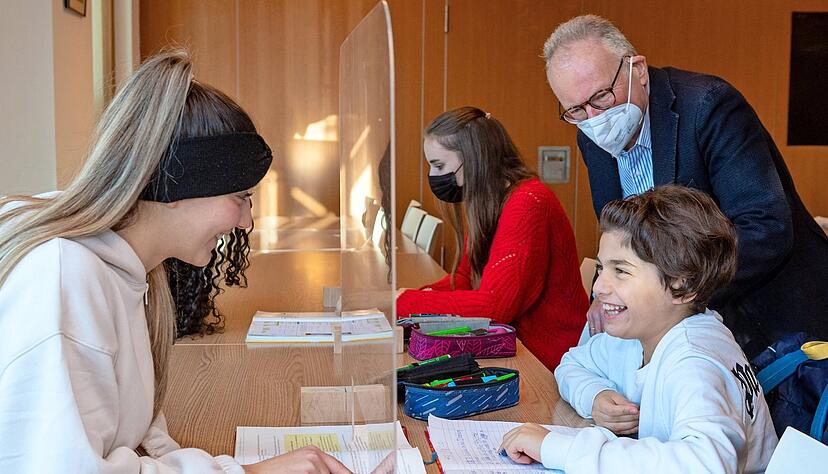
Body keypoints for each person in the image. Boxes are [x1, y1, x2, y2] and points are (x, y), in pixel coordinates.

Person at [0, 50, 350, 473]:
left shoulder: (135, 270)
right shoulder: (64, 278)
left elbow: (139, 435)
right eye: (240, 198)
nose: (247, 220)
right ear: (179, 185)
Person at [542, 15, 828, 358]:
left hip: (769, 321)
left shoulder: (708, 106)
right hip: (683, 333)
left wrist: (671, 293)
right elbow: (618, 236)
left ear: (639, 70)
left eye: (601, 96)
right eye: (575, 109)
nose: (594, 118)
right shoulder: (591, 139)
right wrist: (606, 295)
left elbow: (766, 227)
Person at [499, 185, 778, 473]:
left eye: (620, 271)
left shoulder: (694, 362)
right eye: (601, 270)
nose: (598, 288)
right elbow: (572, 363)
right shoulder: (639, 334)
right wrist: (594, 395)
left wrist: (559, 448)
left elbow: (706, 465)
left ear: (681, 285)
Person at [396, 106, 589, 369]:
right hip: (512, 347)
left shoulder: (528, 202)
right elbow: (465, 278)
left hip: (548, 362)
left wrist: (402, 302)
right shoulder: (486, 202)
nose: (433, 175)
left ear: (473, 159)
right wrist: (409, 301)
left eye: (439, 165)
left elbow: (495, 305)